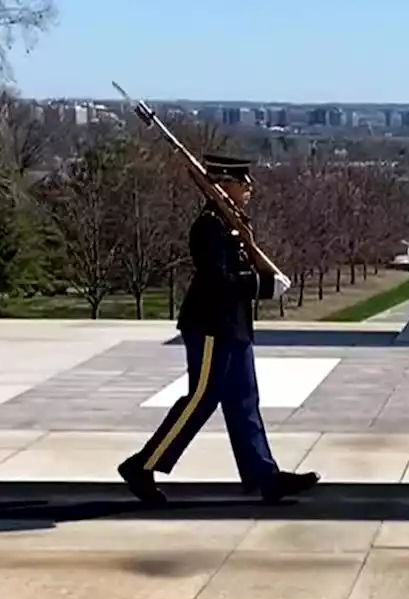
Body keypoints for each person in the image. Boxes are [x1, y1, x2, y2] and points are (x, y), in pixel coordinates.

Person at [118, 153, 320, 504]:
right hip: (211, 325)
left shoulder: (231, 222)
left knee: (244, 401)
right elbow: (217, 280)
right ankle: (142, 465)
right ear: (223, 185)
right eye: (243, 182)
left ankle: (266, 477)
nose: (250, 188)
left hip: (233, 326)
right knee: (201, 400)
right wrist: (262, 286)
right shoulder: (209, 226)